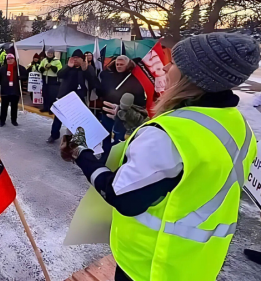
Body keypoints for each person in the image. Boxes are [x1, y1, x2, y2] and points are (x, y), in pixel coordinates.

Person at [64, 33, 259, 281]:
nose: (166, 66)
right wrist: (141, 123)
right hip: (197, 262)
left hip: (151, 265)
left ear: (194, 77)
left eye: (176, 63)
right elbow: (192, 166)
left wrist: (81, 152)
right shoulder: (237, 124)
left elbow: (121, 197)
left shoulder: (168, 135)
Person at [97, 55, 146, 157]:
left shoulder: (133, 78)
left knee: (118, 139)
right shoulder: (109, 75)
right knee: (105, 136)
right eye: (117, 64)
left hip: (123, 115)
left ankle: (114, 159)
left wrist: (127, 105)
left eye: (121, 64)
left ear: (127, 65)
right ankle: (104, 157)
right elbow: (101, 91)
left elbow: (140, 99)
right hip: (107, 112)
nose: (118, 66)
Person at [47, 50, 95, 144]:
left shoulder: (87, 68)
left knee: (78, 120)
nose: (75, 60)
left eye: (78, 58)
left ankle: (77, 139)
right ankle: (54, 135)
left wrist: (85, 70)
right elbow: (59, 75)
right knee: (58, 118)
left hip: (79, 98)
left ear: (82, 59)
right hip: (65, 97)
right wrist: (68, 67)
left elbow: (92, 81)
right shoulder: (68, 67)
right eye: (74, 58)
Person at [0, 53, 27, 127]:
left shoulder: (19, 68)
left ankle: (14, 120)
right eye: (8, 59)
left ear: (14, 59)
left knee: (14, 107)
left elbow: (26, 76)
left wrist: (21, 77)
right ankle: (2, 121)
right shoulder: (2, 68)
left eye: (11, 59)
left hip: (15, 90)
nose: (9, 60)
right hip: (5, 90)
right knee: (4, 107)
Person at [39, 48, 61, 113]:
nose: (49, 54)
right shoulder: (44, 60)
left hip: (53, 79)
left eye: (51, 53)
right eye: (48, 53)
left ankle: (51, 109)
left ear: (53, 54)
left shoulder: (57, 61)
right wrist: (44, 68)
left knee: (52, 95)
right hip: (45, 78)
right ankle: (45, 107)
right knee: (45, 94)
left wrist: (51, 66)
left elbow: (59, 70)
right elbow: (40, 67)